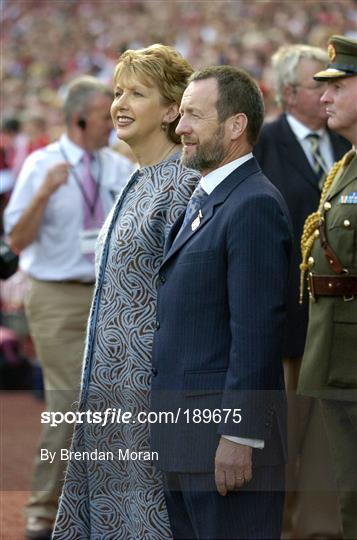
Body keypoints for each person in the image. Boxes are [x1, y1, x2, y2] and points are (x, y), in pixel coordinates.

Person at [53, 44, 200, 539]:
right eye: (118, 92)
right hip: (109, 383)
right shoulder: (138, 180)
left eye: (138, 93)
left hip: (147, 389)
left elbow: (183, 298)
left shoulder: (183, 182)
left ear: (173, 109)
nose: (120, 102)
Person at [150, 65, 292, 539]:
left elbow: (257, 331)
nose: (180, 127)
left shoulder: (253, 204)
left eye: (193, 115)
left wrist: (240, 433)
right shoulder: (210, 197)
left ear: (236, 126)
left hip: (222, 443)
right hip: (185, 436)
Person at [4, 75, 134, 540]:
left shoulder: (117, 167)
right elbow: (16, 240)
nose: (113, 124)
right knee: (69, 400)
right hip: (56, 295)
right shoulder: (42, 164)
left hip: (109, 295)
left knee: (110, 401)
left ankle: (94, 507)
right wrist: (43, 194)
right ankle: (42, 507)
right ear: (79, 118)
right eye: (105, 116)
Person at [254, 44, 350, 539]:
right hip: (284, 324)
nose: (328, 95)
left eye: (336, 85)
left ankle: (317, 531)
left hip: (331, 326)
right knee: (281, 442)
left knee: (324, 446)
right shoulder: (261, 144)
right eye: (320, 84)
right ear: (291, 93)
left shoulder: (344, 147)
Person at [298, 35, 357, 540]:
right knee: (349, 490)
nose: (324, 97)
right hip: (338, 353)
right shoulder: (346, 165)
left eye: (338, 85)